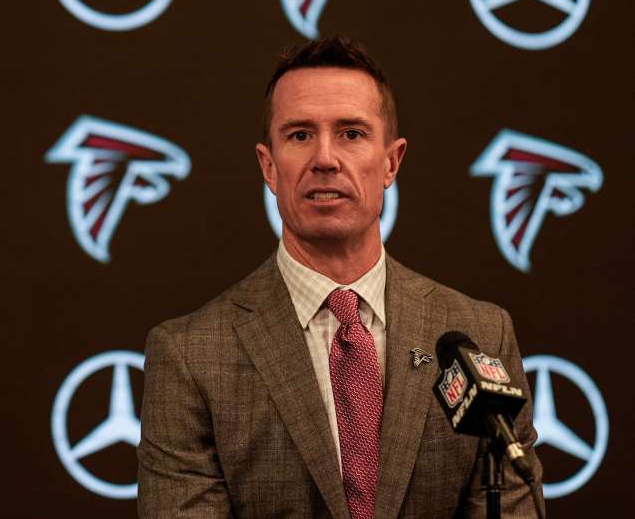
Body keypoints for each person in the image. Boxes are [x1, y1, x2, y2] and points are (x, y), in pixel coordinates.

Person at [137, 37, 544, 518]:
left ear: (391, 162)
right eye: (300, 135)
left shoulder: (481, 334)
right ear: (269, 167)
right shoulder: (190, 355)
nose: (326, 158)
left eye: (351, 133)